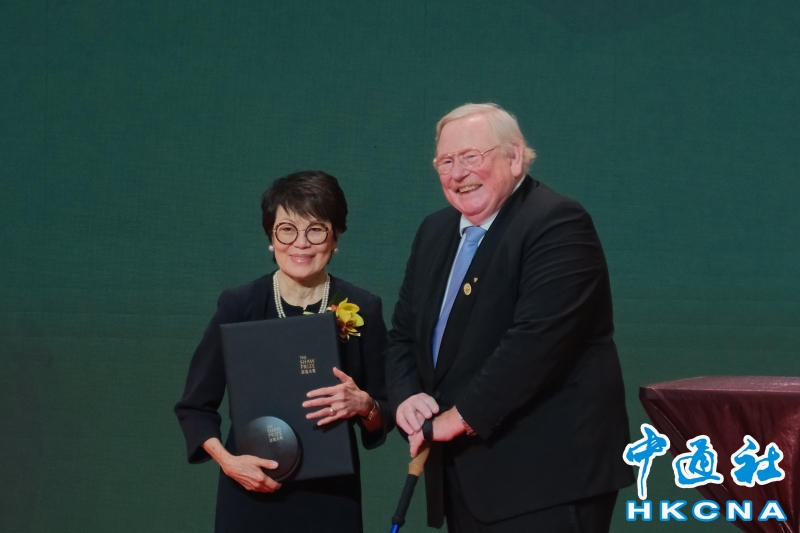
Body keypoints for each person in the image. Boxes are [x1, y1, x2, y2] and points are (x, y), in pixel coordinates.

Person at [385, 103, 635, 532]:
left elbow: (537, 343)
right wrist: (406, 397)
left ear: (515, 157)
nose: (458, 173)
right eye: (446, 161)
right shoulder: (434, 231)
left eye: (471, 157)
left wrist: (456, 418)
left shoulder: (556, 221)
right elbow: (404, 336)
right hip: (465, 480)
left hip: (546, 482)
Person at [175, 170, 392, 533]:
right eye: (287, 230)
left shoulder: (363, 307)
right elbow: (195, 406)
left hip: (331, 498)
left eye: (316, 229)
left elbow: (386, 411)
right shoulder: (239, 305)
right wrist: (229, 462)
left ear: (336, 236)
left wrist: (364, 405)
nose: (300, 244)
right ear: (271, 238)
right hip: (250, 490)